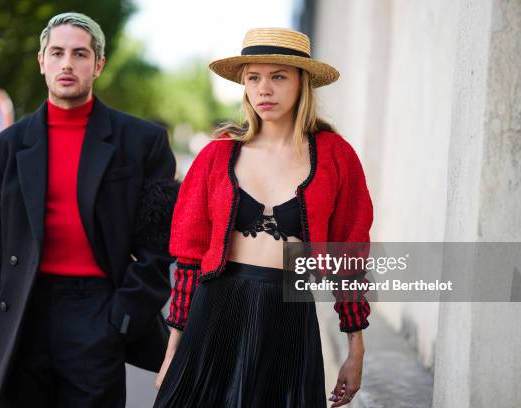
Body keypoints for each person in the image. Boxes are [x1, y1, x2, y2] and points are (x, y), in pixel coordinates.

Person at [0, 12, 177, 407]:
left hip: (97, 313)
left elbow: (158, 246)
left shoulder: (143, 142)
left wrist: (121, 317)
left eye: (79, 54)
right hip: (23, 315)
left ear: (98, 65)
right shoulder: (4, 150)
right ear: (41, 61)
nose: (67, 63)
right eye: (57, 53)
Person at [154, 28, 373, 408]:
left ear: (302, 82)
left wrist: (356, 350)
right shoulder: (217, 155)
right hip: (215, 313)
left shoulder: (336, 156)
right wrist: (172, 351)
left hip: (288, 319)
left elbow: (348, 258)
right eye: (253, 78)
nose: (264, 89)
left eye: (278, 77)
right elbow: (189, 259)